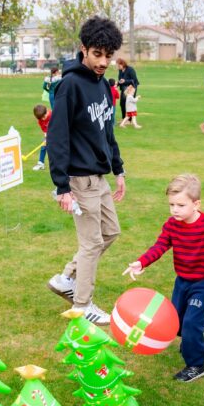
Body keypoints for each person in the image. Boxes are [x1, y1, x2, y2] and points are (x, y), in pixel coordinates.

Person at [124, 174, 204, 382]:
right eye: (171, 204)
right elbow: (160, 246)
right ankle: (189, 341)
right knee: (177, 321)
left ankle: (196, 366)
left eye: (180, 205)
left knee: (191, 323)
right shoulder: (172, 225)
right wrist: (141, 262)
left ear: (196, 204)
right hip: (182, 280)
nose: (175, 210)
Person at [45, 16, 127, 326]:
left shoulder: (104, 87)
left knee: (111, 232)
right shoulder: (70, 85)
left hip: (100, 178)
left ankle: (67, 277)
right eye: (97, 54)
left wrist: (118, 170)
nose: (104, 61)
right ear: (84, 50)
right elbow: (57, 137)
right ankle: (82, 305)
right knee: (91, 242)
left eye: (108, 55)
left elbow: (107, 132)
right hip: (79, 180)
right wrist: (62, 187)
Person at [31, 103, 51, 171]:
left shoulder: (53, 115)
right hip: (49, 135)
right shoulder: (40, 121)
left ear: (46, 111)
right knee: (43, 146)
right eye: (41, 118)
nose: (43, 118)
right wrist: (46, 137)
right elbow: (45, 130)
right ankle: (41, 163)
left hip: (58, 134)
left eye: (44, 116)